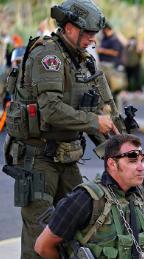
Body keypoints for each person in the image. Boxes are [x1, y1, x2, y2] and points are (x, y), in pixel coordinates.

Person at [2, 1, 119, 258]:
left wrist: (118, 148)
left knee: (82, 220)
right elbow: (51, 110)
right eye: (87, 33)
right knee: (39, 232)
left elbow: (104, 109)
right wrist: (93, 122)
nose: (91, 39)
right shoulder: (49, 56)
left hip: (66, 157)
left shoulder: (82, 61)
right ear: (69, 28)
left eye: (94, 34)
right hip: (38, 158)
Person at [34, 134, 144, 259]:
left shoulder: (137, 194)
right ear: (112, 164)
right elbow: (43, 246)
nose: (141, 167)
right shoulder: (85, 198)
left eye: (142, 160)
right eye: (132, 161)